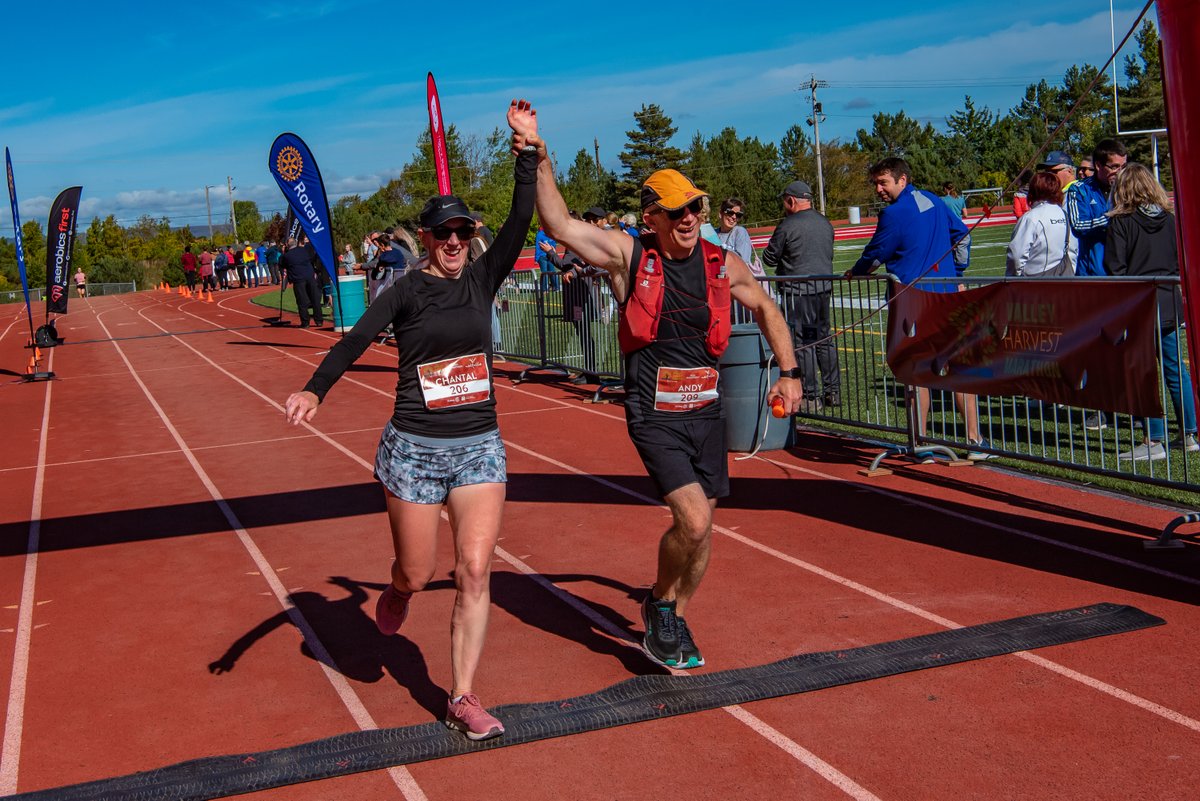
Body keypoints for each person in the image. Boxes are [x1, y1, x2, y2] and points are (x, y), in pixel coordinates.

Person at [283, 100, 539, 740]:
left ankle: (462, 696)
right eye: (442, 235)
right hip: (416, 448)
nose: (454, 243)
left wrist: (526, 153)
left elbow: (520, 218)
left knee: (476, 571)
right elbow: (353, 341)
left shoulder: (484, 277)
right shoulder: (404, 291)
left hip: (479, 443)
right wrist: (316, 390)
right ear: (426, 240)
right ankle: (397, 593)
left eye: (462, 233)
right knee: (418, 572)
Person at [534, 149, 802, 670]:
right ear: (652, 217)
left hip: (706, 412)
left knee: (703, 534)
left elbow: (767, 308)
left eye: (695, 209)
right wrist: (541, 157)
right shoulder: (629, 256)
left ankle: (673, 614)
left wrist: (790, 372)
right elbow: (559, 223)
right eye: (677, 211)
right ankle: (660, 601)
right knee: (695, 521)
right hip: (653, 412)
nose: (689, 219)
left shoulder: (721, 262)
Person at [849, 157, 992, 459]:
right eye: (875, 183)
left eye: (883, 182)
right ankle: (974, 441)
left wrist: (857, 272)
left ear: (902, 179)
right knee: (955, 365)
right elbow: (963, 235)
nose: (878, 189)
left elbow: (876, 254)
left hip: (914, 302)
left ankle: (921, 442)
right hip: (947, 297)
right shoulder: (934, 200)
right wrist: (958, 273)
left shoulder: (894, 213)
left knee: (915, 372)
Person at [1105, 162, 1197, 461]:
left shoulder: (1121, 222)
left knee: (1145, 372)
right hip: (1169, 299)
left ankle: (1153, 439)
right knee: (1175, 369)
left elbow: (1114, 267)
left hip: (1140, 304)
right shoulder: (1170, 219)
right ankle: (1190, 433)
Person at [762, 180, 840, 410]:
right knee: (824, 339)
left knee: (802, 342)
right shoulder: (825, 223)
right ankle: (832, 392)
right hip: (823, 289)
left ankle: (810, 394)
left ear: (791, 200)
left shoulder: (787, 225)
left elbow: (769, 258)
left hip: (797, 292)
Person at [1066, 138, 1128, 278]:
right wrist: (1112, 217)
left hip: (1126, 272)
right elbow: (1078, 225)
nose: (1120, 172)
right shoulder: (1080, 189)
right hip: (1093, 274)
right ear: (1099, 166)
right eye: (1114, 167)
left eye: (1123, 167)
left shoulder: (1129, 187)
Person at [1005, 171, 1077, 277]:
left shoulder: (1030, 218)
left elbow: (1016, 255)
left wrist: (1017, 277)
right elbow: (1073, 249)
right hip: (1065, 277)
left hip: (1036, 280)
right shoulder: (1064, 214)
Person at [280, 237, 324, 328]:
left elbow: (281, 264)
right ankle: (319, 320)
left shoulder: (287, 256)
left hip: (298, 279)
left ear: (288, 245)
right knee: (315, 299)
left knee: (302, 302)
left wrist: (283, 252)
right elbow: (311, 258)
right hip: (309, 276)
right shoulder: (304, 251)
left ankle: (305, 322)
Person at [715, 197, 755, 269]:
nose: (734, 217)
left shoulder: (740, 232)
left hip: (737, 278)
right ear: (720, 214)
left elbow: (743, 261)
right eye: (730, 213)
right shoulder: (713, 234)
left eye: (738, 215)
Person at [940, 182, 972, 270]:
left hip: (949, 228)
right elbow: (966, 214)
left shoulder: (942, 200)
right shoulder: (961, 199)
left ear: (946, 189)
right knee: (959, 253)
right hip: (960, 228)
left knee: (949, 253)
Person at [534, 227, 560, 292]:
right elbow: (554, 244)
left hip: (543, 256)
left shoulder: (539, 234)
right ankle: (556, 287)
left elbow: (537, 247)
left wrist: (536, 258)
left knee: (545, 273)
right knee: (552, 271)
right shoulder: (551, 233)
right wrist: (553, 253)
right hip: (550, 254)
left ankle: (545, 289)